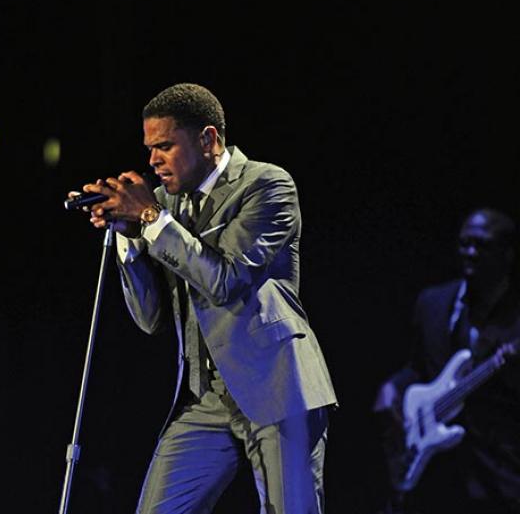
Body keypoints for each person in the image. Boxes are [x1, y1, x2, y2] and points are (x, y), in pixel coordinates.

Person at [71, 82, 338, 513]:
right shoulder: (165, 204)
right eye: (149, 149)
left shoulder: (267, 185)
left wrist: (150, 218)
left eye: (165, 146)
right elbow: (150, 318)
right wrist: (130, 240)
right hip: (205, 399)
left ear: (208, 139)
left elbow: (226, 280)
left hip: (276, 384)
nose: (153, 160)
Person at [373, 207, 520, 514]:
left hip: (498, 479)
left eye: (482, 245)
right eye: (465, 243)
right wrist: (392, 388)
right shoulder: (433, 302)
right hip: (433, 478)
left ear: (508, 253)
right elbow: (418, 367)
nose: (470, 252)